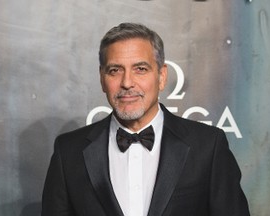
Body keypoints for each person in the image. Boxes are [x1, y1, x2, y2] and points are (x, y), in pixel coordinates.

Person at [41, 23, 250, 216]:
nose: (127, 83)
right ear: (102, 79)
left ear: (161, 76)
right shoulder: (68, 152)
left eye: (140, 69)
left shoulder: (207, 146)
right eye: (115, 70)